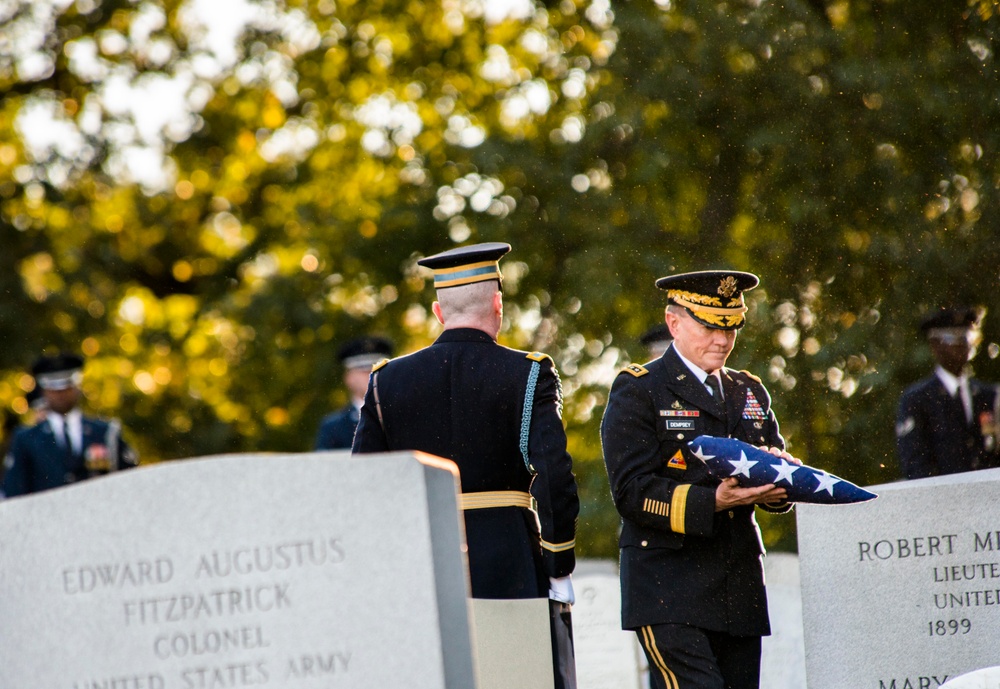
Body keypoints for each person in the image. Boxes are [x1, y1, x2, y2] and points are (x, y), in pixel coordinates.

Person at [352, 242, 580, 689]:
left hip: (425, 562)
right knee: (517, 677)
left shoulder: (386, 380)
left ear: (439, 312)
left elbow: (363, 488)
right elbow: (553, 474)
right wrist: (557, 560)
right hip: (509, 557)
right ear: (498, 304)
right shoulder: (528, 372)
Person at [601, 269, 799, 689]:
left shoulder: (749, 391)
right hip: (669, 589)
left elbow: (773, 486)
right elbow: (631, 491)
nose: (722, 340)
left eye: (730, 328)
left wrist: (781, 478)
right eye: (709, 326)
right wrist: (712, 502)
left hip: (738, 590)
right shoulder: (639, 389)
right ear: (674, 323)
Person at [1, 352, 138, 498]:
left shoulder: (105, 432)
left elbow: (131, 481)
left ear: (77, 386)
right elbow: (14, 491)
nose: (60, 394)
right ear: (43, 390)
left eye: (67, 387)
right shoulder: (26, 439)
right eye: (54, 388)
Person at [896, 306, 1000, 479]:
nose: (962, 344)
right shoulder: (917, 400)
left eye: (966, 336)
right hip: (943, 500)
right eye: (952, 337)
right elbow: (915, 465)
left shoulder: (989, 396)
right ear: (935, 345)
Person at [314, 335, 394, 450]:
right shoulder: (334, 427)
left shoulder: (405, 416)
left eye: (378, 370)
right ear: (348, 378)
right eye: (364, 371)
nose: (372, 375)